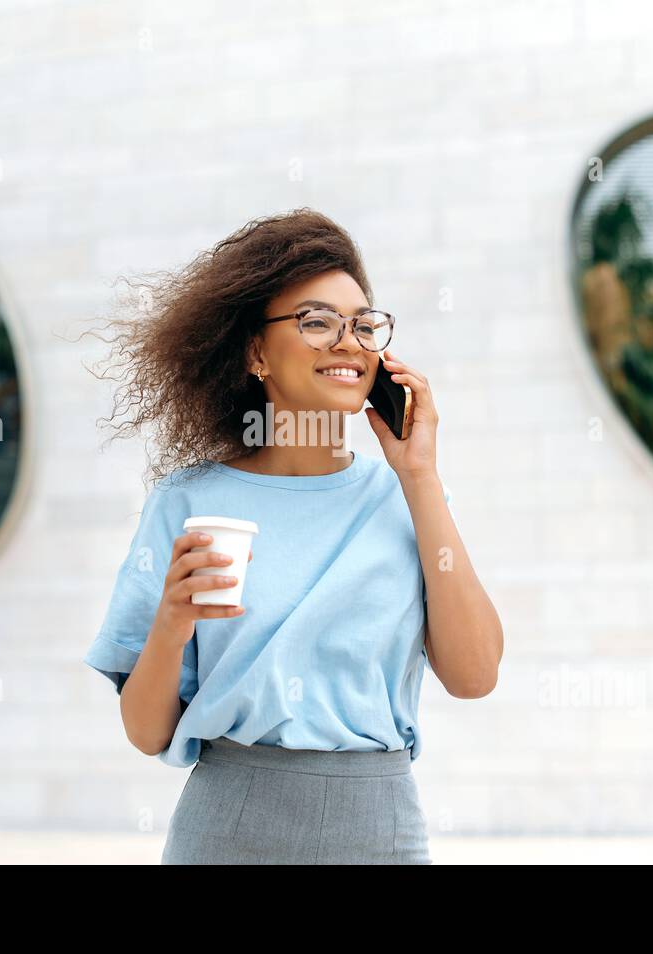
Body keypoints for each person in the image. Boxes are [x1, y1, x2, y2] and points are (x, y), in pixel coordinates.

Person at [83, 208, 503, 864]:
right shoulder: (187, 502)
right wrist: (170, 624)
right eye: (316, 321)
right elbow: (146, 732)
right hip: (227, 827)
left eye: (364, 324)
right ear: (255, 351)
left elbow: (475, 675)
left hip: (378, 830)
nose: (348, 341)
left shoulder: (409, 496)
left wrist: (419, 473)